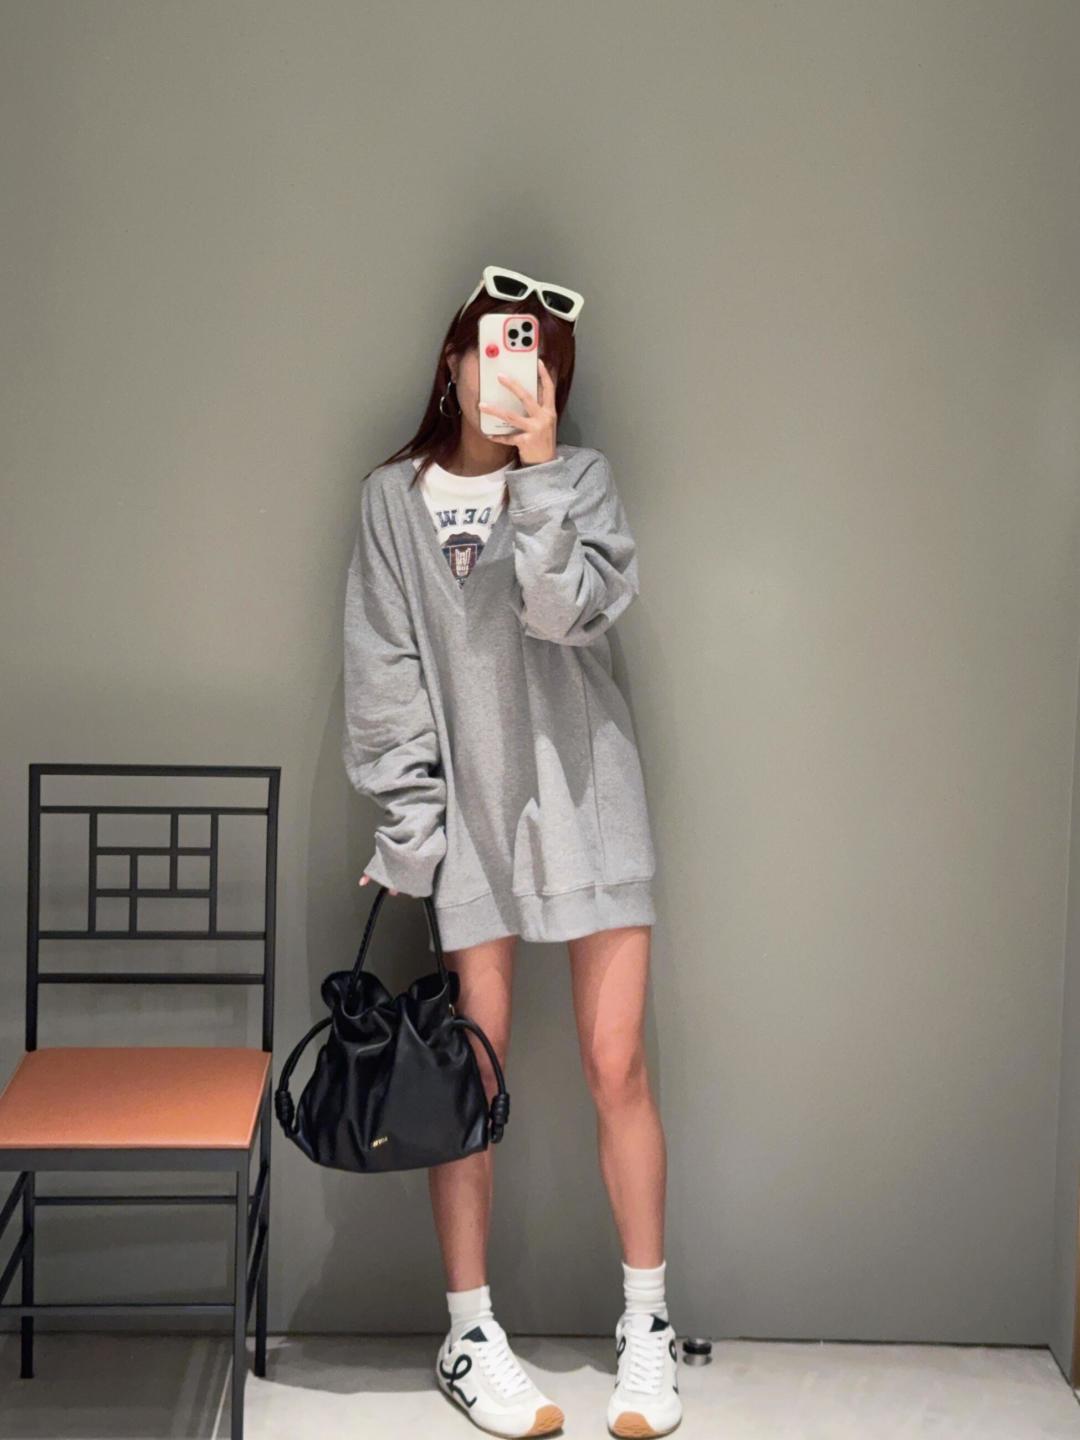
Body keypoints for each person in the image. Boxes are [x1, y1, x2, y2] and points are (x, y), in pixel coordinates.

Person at [342, 265, 681, 1439]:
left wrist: (538, 472)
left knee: (615, 1066)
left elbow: (560, 614)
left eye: (532, 355)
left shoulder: (581, 480)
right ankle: (470, 1334)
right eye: (491, 347)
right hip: (475, 825)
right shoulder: (390, 501)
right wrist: (411, 829)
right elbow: (384, 676)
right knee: (469, 1084)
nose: (508, 370)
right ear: (452, 362)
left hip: (591, 803)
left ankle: (648, 1326)